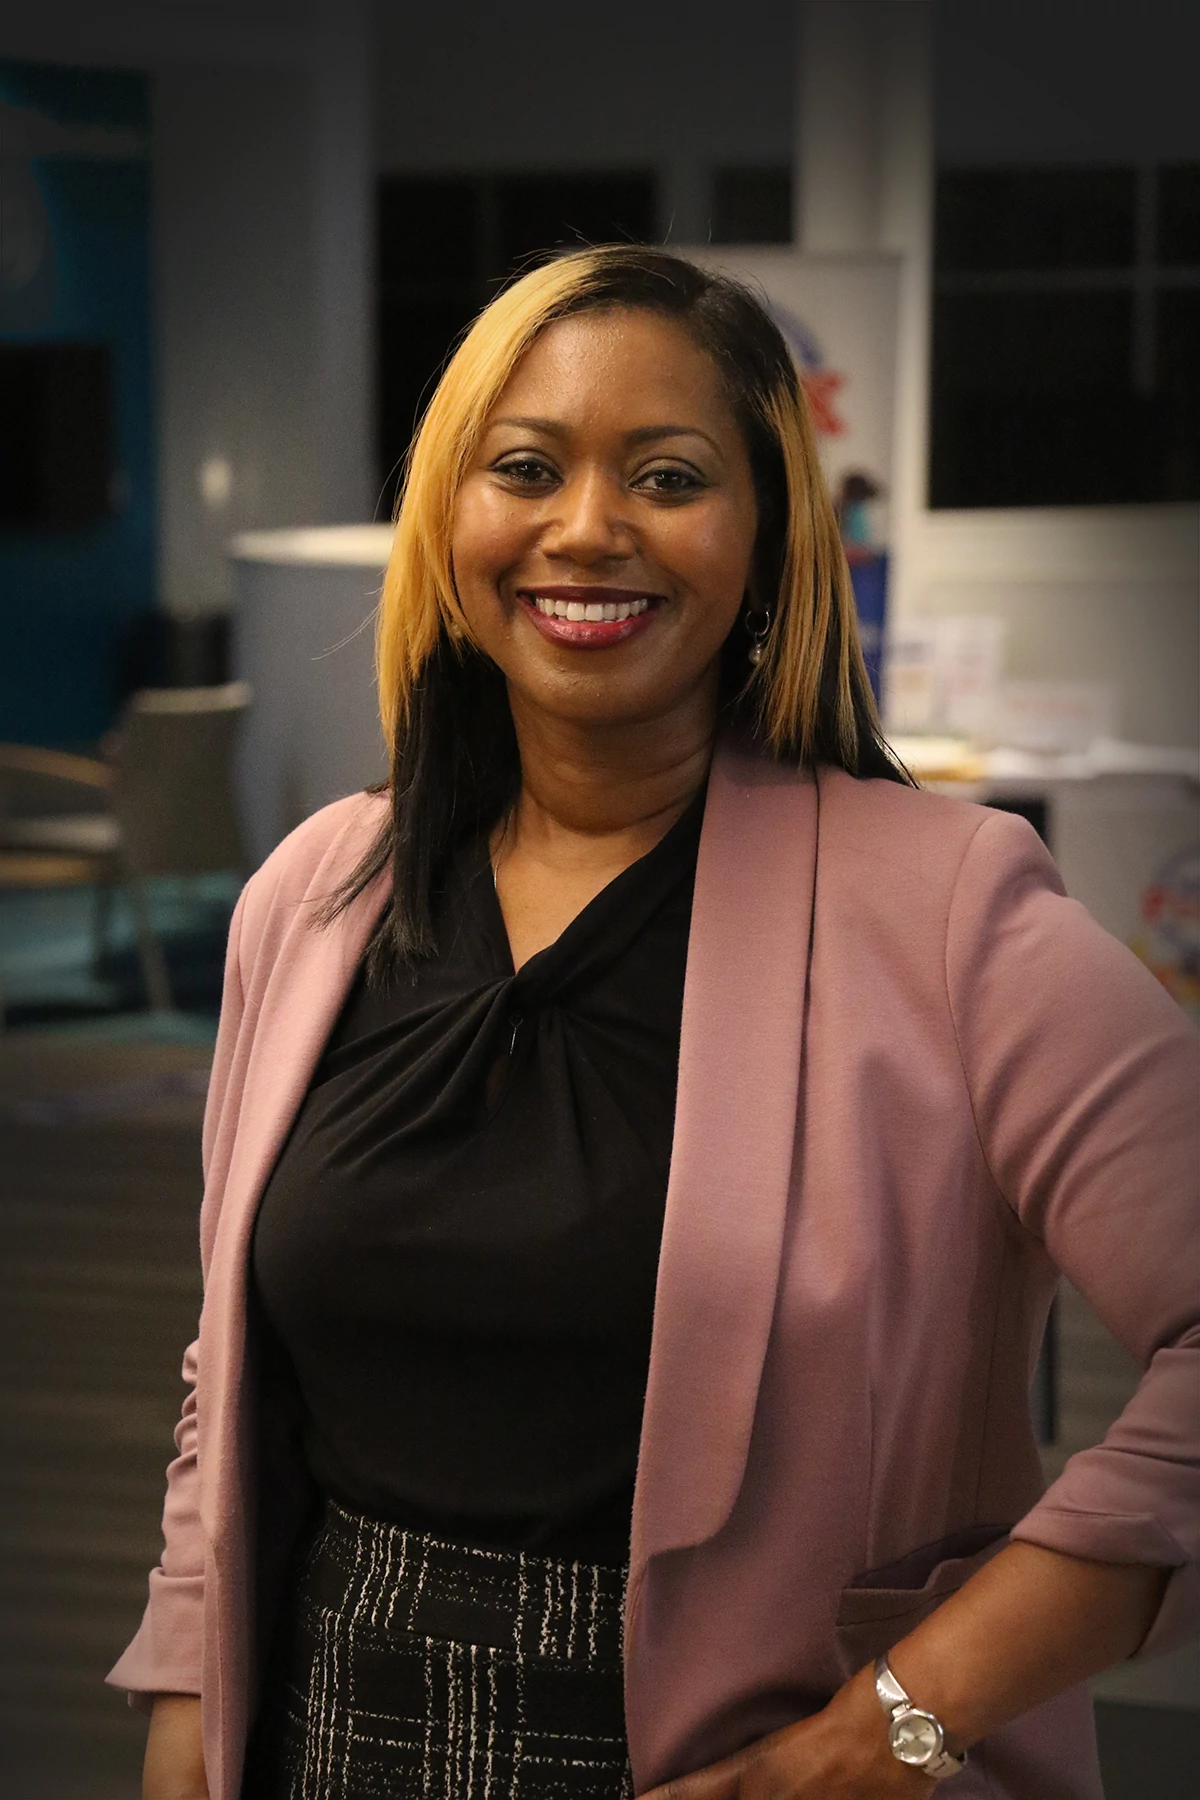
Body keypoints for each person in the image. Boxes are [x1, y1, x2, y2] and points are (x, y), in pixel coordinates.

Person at [111, 247, 1197, 1800]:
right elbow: (229, 1369)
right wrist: (182, 1712)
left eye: (669, 476)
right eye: (527, 467)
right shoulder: (312, 897)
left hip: (744, 1761)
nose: (587, 528)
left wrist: (888, 1730)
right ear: (451, 517)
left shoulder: (950, 910)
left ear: (764, 536)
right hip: (328, 1733)